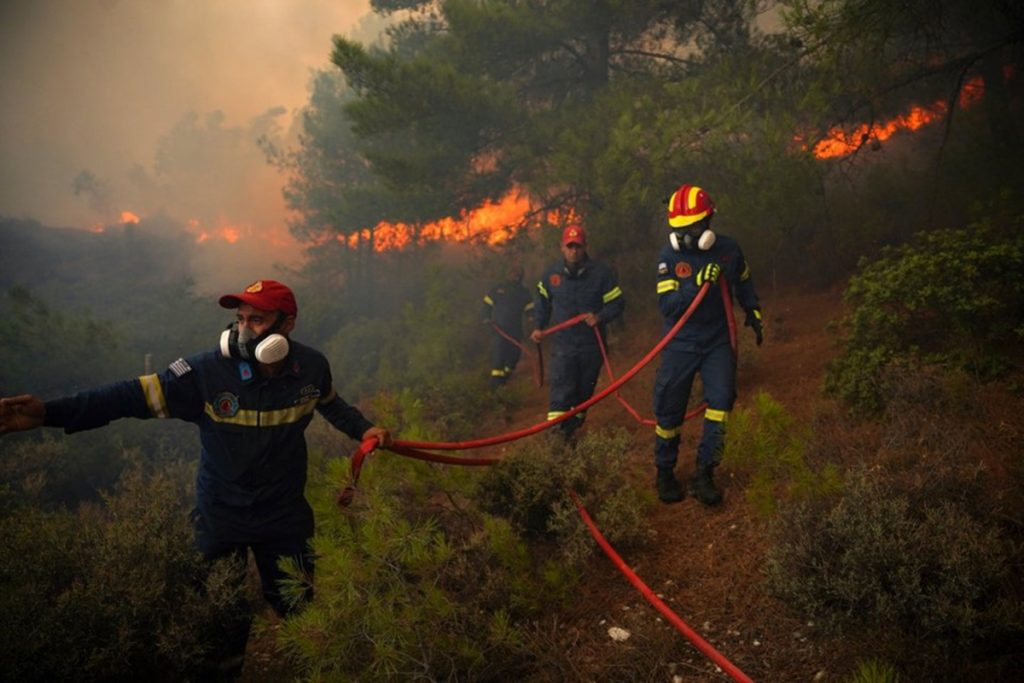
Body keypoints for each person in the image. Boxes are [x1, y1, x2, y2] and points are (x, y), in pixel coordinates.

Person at [0, 279, 391, 671]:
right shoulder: (204, 373)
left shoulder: (312, 367)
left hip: (284, 514)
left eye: (257, 320)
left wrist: (364, 429)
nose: (243, 330)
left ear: (287, 325)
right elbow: (126, 396)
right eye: (240, 319)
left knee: (299, 606)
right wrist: (49, 413)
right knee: (219, 616)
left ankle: (316, 671)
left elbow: (331, 404)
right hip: (220, 515)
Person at [653, 184, 763, 505]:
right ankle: (664, 472)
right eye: (680, 228)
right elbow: (668, 306)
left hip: (717, 342)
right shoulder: (668, 257)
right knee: (669, 410)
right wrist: (696, 285)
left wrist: (753, 310)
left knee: (721, 403)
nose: (687, 235)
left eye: (694, 227)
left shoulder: (728, 250)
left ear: (708, 223)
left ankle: (705, 472)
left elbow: (743, 280)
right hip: (681, 343)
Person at [530, 225, 625, 439]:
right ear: (562, 248)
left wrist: (600, 316)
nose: (574, 251)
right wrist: (538, 326)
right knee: (561, 392)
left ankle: (570, 432)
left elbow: (617, 303)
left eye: (578, 246)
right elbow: (542, 302)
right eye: (569, 246)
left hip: (592, 346)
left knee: (583, 396)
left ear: (585, 247)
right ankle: (556, 438)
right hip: (564, 346)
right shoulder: (551, 275)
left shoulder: (601, 274)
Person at [481, 264, 534, 389]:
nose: (516, 276)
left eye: (519, 274)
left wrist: (532, 319)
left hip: (516, 330)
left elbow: (530, 309)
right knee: (499, 355)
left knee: (514, 356)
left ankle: (505, 377)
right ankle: (495, 386)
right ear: (508, 274)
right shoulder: (498, 289)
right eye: (513, 273)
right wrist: (486, 318)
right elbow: (487, 304)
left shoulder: (524, 292)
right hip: (499, 329)